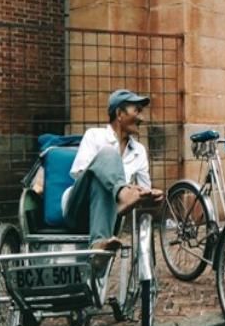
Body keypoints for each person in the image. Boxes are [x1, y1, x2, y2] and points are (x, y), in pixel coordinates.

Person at [61, 89, 164, 251]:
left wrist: (151, 196)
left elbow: (144, 190)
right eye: (136, 111)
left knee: (108, 179)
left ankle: (99, 245)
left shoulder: (139, 151)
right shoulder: (94, 136)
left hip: (110, 216)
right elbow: (81, 175)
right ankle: (120, 193)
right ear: (119, 113)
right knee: (107, 155)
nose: (142, 118)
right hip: (78, 210)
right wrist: (122, 190)